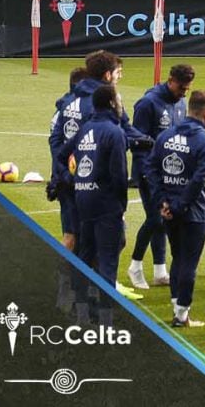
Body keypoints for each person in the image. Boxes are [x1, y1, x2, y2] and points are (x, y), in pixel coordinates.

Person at [49, 50, 150, 300]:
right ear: (107, 75)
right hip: (95, 185)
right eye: (117, 73)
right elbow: (118, 133)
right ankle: (95, 290)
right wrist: (151, 143)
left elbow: (56, 139)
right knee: (107, 238)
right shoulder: (105, 101)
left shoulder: (69, 99)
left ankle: (70, 293)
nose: (119, 77)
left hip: (70, 181)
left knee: (75, 237)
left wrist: (60, 175)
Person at [147, 90, 205, 328]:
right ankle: (183, 314)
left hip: (169, 210)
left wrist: (162, 202)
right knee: (188, 263)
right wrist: (178, 206)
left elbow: (152, 169)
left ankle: (177, 308)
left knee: (177, 258)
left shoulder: (165, 136)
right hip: (193, 212)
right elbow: (198, 180)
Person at [128, 64, 195, 290]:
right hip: (149, 172)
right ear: (170, 80)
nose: (183, 93)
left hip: (170, 173)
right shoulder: (148, 103)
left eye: (187, 89)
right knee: (155, 219)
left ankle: (159, 271)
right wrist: (145, 172)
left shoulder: (181, 103)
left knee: (164, 220)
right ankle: (135, 266)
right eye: (181, 88)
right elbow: (135, 139)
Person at [58, 84, 129, 290]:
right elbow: (119, 175)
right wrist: (121, 205)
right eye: (119, 100)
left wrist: (73, 180)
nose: (121, 105)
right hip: (106, 203)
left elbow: (61, 156)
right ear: (111, 103)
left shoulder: (85, 129)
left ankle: (81, 311)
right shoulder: (114, 132)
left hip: (84, 201)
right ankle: (105, 314)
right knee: (108, 260)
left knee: (85, 256)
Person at [47, 66, 88, 252]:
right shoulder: (75, 108)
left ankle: (77, 279)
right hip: (75, 178)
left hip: (69, 176)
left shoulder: (62, 108)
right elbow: (57, 146)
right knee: (72, 237)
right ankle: (62, 279)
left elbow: (54, 143)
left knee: (77, 236)